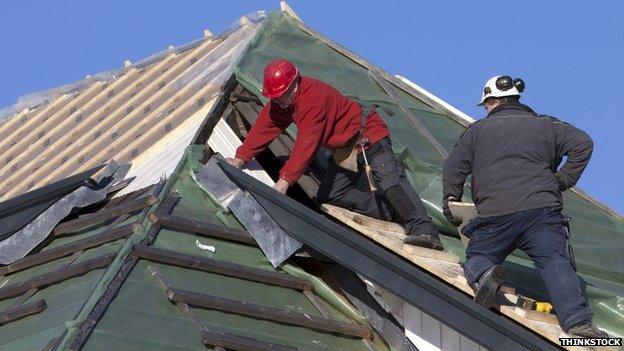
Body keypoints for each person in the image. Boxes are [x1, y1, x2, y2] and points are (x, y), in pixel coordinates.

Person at [442, 75, 608, 338]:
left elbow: (453, 167)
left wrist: (449, 202)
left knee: (478, 257)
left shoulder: (475, 132)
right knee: (555, 262)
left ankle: (485, 274)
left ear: (492, 102)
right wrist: (560, 181)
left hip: (496, 212)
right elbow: (583, 144)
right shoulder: (546, 125)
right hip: (541, 209)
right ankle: (579, 323)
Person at [227, 58, 444, 250]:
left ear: (294, 86)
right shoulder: (281, 103)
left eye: (282, 96)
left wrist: (284, 181)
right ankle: (392, 211)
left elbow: (306, 144)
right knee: (332, 195)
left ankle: (424, 230)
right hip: (345, 149)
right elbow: (265, 126)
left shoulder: (312, 101)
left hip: (368, 134)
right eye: (274, 98)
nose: (279, 101)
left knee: (390, 181)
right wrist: (240, 157)